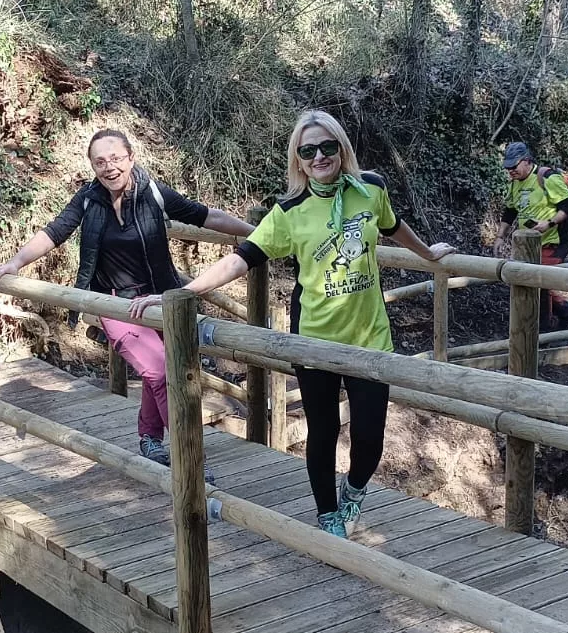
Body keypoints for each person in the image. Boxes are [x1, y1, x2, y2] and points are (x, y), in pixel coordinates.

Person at [127, 110, 456, 539]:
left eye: (327, 147)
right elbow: (241, 258)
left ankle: (354, 492)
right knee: (322, 431)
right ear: (298, 160)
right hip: (315, 338)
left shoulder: (371, 189)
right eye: (308, 150)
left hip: (370, 336)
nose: (319, 156)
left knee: (370, 436)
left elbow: (394, 227)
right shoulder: (289, 211)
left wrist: (428, 255)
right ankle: (328, 517)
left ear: (341, 149)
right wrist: (186, 292)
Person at [0, 129, 255, 474]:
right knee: (158, 370)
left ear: (131, 157)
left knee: (159, 370)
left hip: (160, 298)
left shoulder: (153, 193)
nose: (109, 167)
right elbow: (55, 232)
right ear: (93, 167)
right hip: (114, 304)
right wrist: (14, 263)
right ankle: (191, 460)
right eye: (100, 161)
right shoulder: (88, 198)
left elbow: (206, 216)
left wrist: (257, 233)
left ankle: (149, 438)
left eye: (115, 158)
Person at [495, 142, 568, 331]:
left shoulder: (547, 177)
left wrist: (550, 223)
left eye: (514, 166)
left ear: (527, 161)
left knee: (537, 281)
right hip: (529, 245)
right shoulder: (515, 184)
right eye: (508, 167)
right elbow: (510, 211)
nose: (510, 170)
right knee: (535, 281)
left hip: (555, 241)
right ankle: (566, 311)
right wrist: (500, 236)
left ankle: (543, 329)